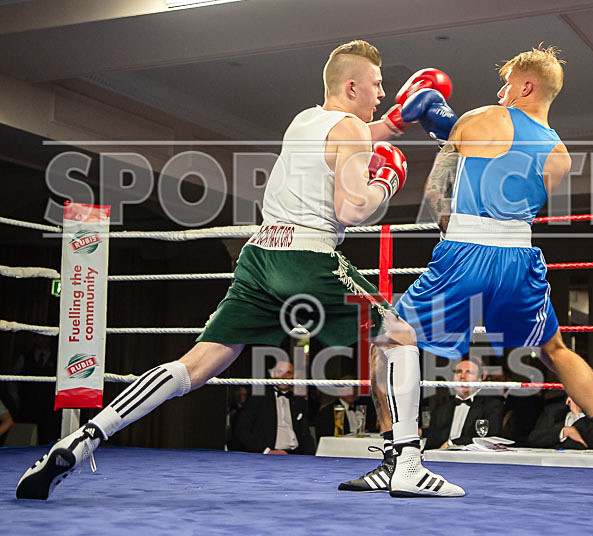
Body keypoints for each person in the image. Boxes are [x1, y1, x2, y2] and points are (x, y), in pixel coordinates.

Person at [16, 40, 463, 500]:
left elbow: (350, 138)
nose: (383, 93)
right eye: (377, 84)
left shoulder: (305, 120)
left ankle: (83, 437)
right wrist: (385, 182)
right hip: (307, 257)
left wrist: (396, 124)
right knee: (399, 336)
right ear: (352, 87)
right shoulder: (349, 129)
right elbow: (351, 209)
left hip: (259, 256)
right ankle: (408, 465)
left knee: (194, 366)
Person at [342, 44, 593, 493]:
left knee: (390, 338)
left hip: (466, 251)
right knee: (554, 349)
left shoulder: (485, 117)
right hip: (520, 259)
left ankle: (402, 459)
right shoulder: (560, 155)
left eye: (506, 84)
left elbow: (437, 193)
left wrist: (441, 147)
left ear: (526, 87)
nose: (500, 92)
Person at [229, 361, 314, 455]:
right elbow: (241, 430)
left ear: (293, 376)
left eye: (288, 373)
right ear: (272, 374)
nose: (284, 376)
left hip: (296, 455)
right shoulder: (258, 398)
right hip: (268, 455)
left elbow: (305, 435)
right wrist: (266, 451)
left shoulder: (299, 401)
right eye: (280, 372)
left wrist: (311, 457)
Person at [423, 359, 504, 450]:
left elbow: (489, 438)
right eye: (458, 372)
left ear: (480, 379)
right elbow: (433, 440)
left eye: (469, 373)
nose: (462, 376)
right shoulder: (441, 408)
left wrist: (452, 443)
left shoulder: (492, 406)